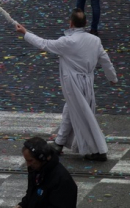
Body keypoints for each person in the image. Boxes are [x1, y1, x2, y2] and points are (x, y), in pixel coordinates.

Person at [15, 9, 118, 162]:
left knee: (83, 115)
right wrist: (112, 78)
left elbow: (44, 44)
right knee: (71, 109)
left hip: (73, 82)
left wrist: (25, 33)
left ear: (71, 23)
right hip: (88, 81)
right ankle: (59, 142)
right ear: (85, 24)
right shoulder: (95, 40)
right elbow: (105, 60)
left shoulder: (68, 42)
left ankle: (98, 149)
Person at [15, 136, 77, 208]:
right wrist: (22, 205)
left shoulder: (62, 180)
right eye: (26, 160)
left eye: (30, 160)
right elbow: (31, 195)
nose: (27, 164)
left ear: (42, 158)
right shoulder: (35, 169)